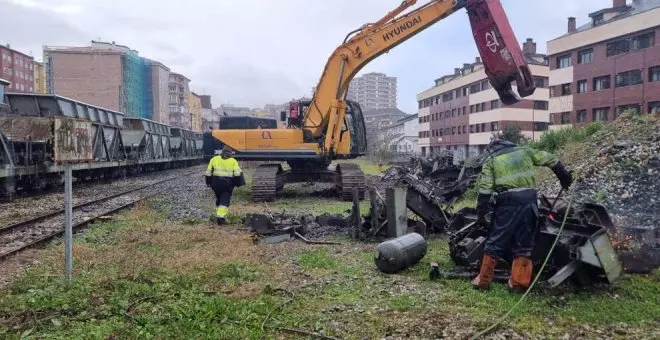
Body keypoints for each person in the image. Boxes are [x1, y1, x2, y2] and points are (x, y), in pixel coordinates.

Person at [472, 137, 572, 292]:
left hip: (507, 203)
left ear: (492, 148)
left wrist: (481, 213)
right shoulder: (525, 151)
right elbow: (551, 159)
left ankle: (484, 281)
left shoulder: (491, 160)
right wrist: (564, 177)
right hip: (529, 201)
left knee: (496, 240)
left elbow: (485, 190)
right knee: (525, 242)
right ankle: (519, 283)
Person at [205, 146, 245, 225]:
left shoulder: (214, 159)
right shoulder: (233, 161)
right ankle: (221, 217)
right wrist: (237, 184)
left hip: (215, 183)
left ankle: (218, 214)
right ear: (230, 153)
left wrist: (209, 183)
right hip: (227, 183)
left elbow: (208, 173)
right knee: (225, 201)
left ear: (222, 152)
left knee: (219, 198)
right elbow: (237, 173)